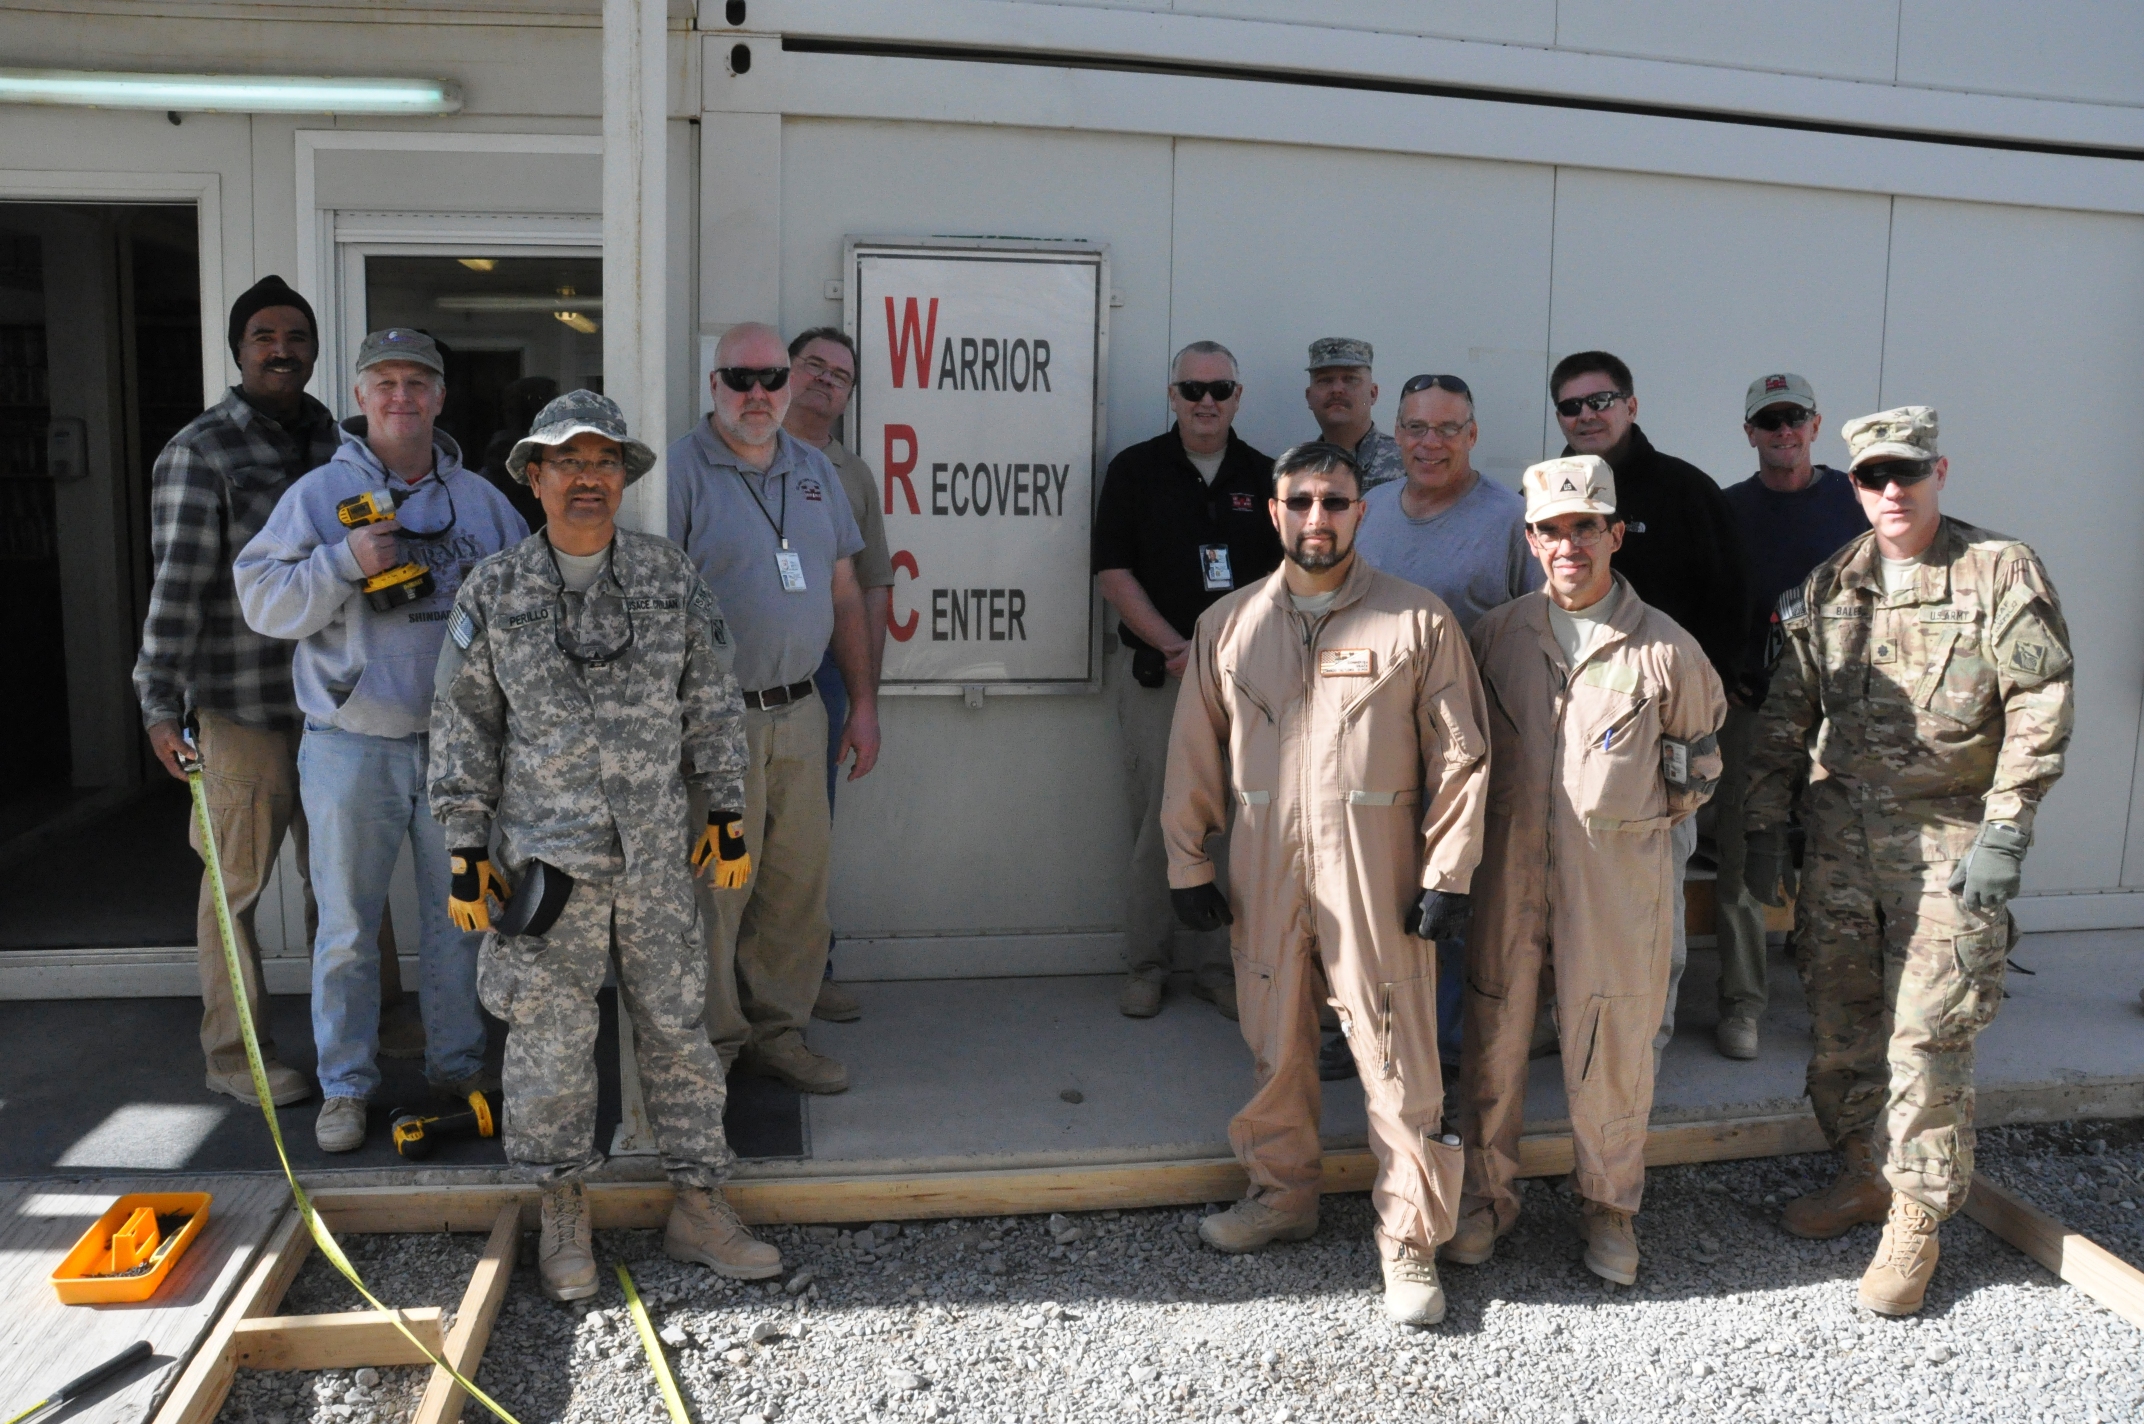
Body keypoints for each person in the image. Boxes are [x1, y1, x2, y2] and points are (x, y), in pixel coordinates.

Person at [429, 389, 780, 1302]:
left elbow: (711, 698)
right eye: (568, 461)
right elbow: (463, 730)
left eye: (605, 461)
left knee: (679, 1027)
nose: (588, 477)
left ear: (623, 478)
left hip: (661, 858)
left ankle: (700, 1204)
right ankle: (563, 1211)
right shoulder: (494, 591)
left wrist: (727, 808)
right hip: (550, 865)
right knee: (549, 1037)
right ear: (534, 477)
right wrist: (466, 845)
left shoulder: (670, 578)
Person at [1745, 406, 2071, 1316]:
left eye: (1908, 474)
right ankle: (1866, 1174)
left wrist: (2008, 828)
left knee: (1929, 1031)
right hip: (1842, 837)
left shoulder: (1998, 571)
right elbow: (1787, 710)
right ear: (1853, 484)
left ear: (1939, 473)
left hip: (1953, 840)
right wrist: (1767, 825)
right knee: (1841, 1021)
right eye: (1874, 476)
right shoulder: (1830, 584)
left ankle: (1919, 1218)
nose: (1892, 491)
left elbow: (2040, 703)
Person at [1163, 441, 1490, 1327]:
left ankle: (1410, 1237)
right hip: (1266, 872)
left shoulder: (1416, 623)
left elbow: (1462, 759)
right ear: (1274, 512)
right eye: (1300, 501)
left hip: (1374, 878)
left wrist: (1448, 872)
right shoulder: (1227, 625)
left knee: (1397, 1060)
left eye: (1335, 502)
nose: (1318, 518)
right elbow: (1193, 751)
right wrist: (1188, 860)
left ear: (1361, 511)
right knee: (1276, 1042)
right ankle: (1281, 1195)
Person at [233, 328, 528, 1152]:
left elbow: (526, 609)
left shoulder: (480, 501)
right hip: (349, 743)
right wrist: (342, 560)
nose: (401, 397)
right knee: (346, 927)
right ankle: (346, 1088)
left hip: (459, 752)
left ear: (439, 397)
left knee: (460, 917)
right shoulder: (317, 495)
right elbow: (263, 603)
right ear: (361, 398)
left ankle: (460, 1064)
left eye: (417, 383)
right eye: (384, 383)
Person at [1453, 454, 1725, 1285]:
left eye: (1586, 527)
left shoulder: (1666, 651)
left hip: (1615, 887)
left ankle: (1610, 1208)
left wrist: (1613, 835)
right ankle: (1481, 1199)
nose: (1569, 544)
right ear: (1530, 539)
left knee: (1610, 1047)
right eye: (1551, 529)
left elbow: (1696, 774)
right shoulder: (1497, 637)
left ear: (1614, 533)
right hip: (1508, 880)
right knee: (1493, 1041)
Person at [135, 275, 345, 1107]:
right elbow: (176, 586)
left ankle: (368, 1026)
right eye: (263, 336)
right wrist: (158, 702)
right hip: (242, 708)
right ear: (238, 351)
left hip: (335, 703)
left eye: (294, 335)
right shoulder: (202, 452)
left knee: (346, 884)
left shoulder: (341, 446)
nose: (281, 349)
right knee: (236, 894)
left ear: (314, 349)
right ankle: (236, 1057)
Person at [668, 321, 877, 1094]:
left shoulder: (816, 471)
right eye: (739, 378)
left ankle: (779, 1031)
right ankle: (715, 1045)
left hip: (802, 712)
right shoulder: (681, 472)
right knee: (718, 893)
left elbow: (845, 592)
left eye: (768, 379)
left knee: (796, 886)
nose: (756, 394)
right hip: (716, 721)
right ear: (713, 384)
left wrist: (861, 704)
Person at [1350, 372, 1543, 1082]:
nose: (1429, 444)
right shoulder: (1368, 509)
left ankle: (1449, 1043)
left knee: (1455, 895)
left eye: (1445, 429)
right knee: (1368, 889)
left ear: (1472, 435)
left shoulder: (1508, 519)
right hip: (1374, 745)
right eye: (1415, 428)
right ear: (1395, 432)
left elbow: (1539, 630)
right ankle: (1361, 1031)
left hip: (1472, 747)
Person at [1551, 350, 1745, 1054]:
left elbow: (1731, 606)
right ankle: (1572, 1024)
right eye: (1571, 407)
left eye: (1600, 400)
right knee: (1568, 891)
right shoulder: (1550, 495)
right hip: (1570, 732)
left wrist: (1695, 712)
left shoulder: (1686, 492)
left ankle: (1645, 1035)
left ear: (1631, 405)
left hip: (1662, 731)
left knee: (1653, 890)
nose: (1586, 416)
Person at [1092, 340, 1281, 1019]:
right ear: (1172, 395)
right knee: (1156, 821)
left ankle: (1214, 965)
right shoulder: (1136, 470)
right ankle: (1147, 963)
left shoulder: (1265, 477)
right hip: (1158, 674)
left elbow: (1283, 583)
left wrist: (1225, 656)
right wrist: (1177, 645)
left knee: (1228, 820)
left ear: (1238, 397)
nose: (1207, 401)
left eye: (1220, 389)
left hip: (1242, 679)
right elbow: (1114, 574)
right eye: (1193, 389)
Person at [1708, 374, 1868, 1061]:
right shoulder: (1727, 509)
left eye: (1793, 419)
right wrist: (1725, 671)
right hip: (1754, 707)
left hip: (1840, 711)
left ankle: (1837, 1003)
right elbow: (1705, 600)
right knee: (1745, 859)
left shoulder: (1855, 502)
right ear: (1750, 432)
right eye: (1768, 422)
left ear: (1815, 424)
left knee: (1841, 858)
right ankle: (1742, 1005)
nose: (1782, 432)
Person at [781, 325, 893, 1025]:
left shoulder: (851, 475)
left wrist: (864, 698)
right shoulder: (735, 452)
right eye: (812, 367)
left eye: (840, 376)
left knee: (805, 836)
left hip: (820, 674)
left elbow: (872, 586)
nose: (825, 381)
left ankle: (807, 974)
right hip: (738, 675)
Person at [1302, 338, 1403, 491]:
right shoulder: (1297, 468)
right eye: (1325, 380)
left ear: (1373, 394)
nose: (1337, 389)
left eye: (1351, 379)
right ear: (1309, 397)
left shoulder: (1407, 462)